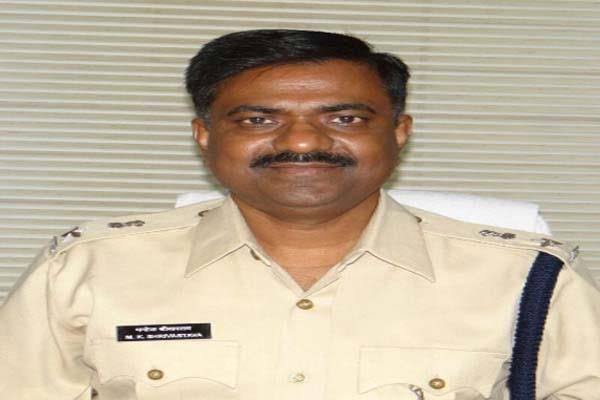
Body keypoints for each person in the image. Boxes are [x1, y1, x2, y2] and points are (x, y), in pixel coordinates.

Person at [0, 29, 598, 400]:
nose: (304, 141)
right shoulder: (88, 268)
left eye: (345, 118)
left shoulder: (530, 279)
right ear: (205, 136)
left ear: (399, 132)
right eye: (258, 120)